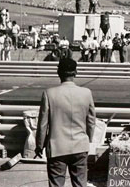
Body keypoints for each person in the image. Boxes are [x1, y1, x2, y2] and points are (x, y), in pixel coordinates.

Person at [35, 58, 96, 187]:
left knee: (56, 184)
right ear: (75, 72)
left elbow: (42, 124)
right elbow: (91, 120)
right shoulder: (86, 93)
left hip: (57, 147)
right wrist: (88, 138)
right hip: (80, 145)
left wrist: (40, 145)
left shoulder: (49, 94)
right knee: (80, 184)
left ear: (58, 72)